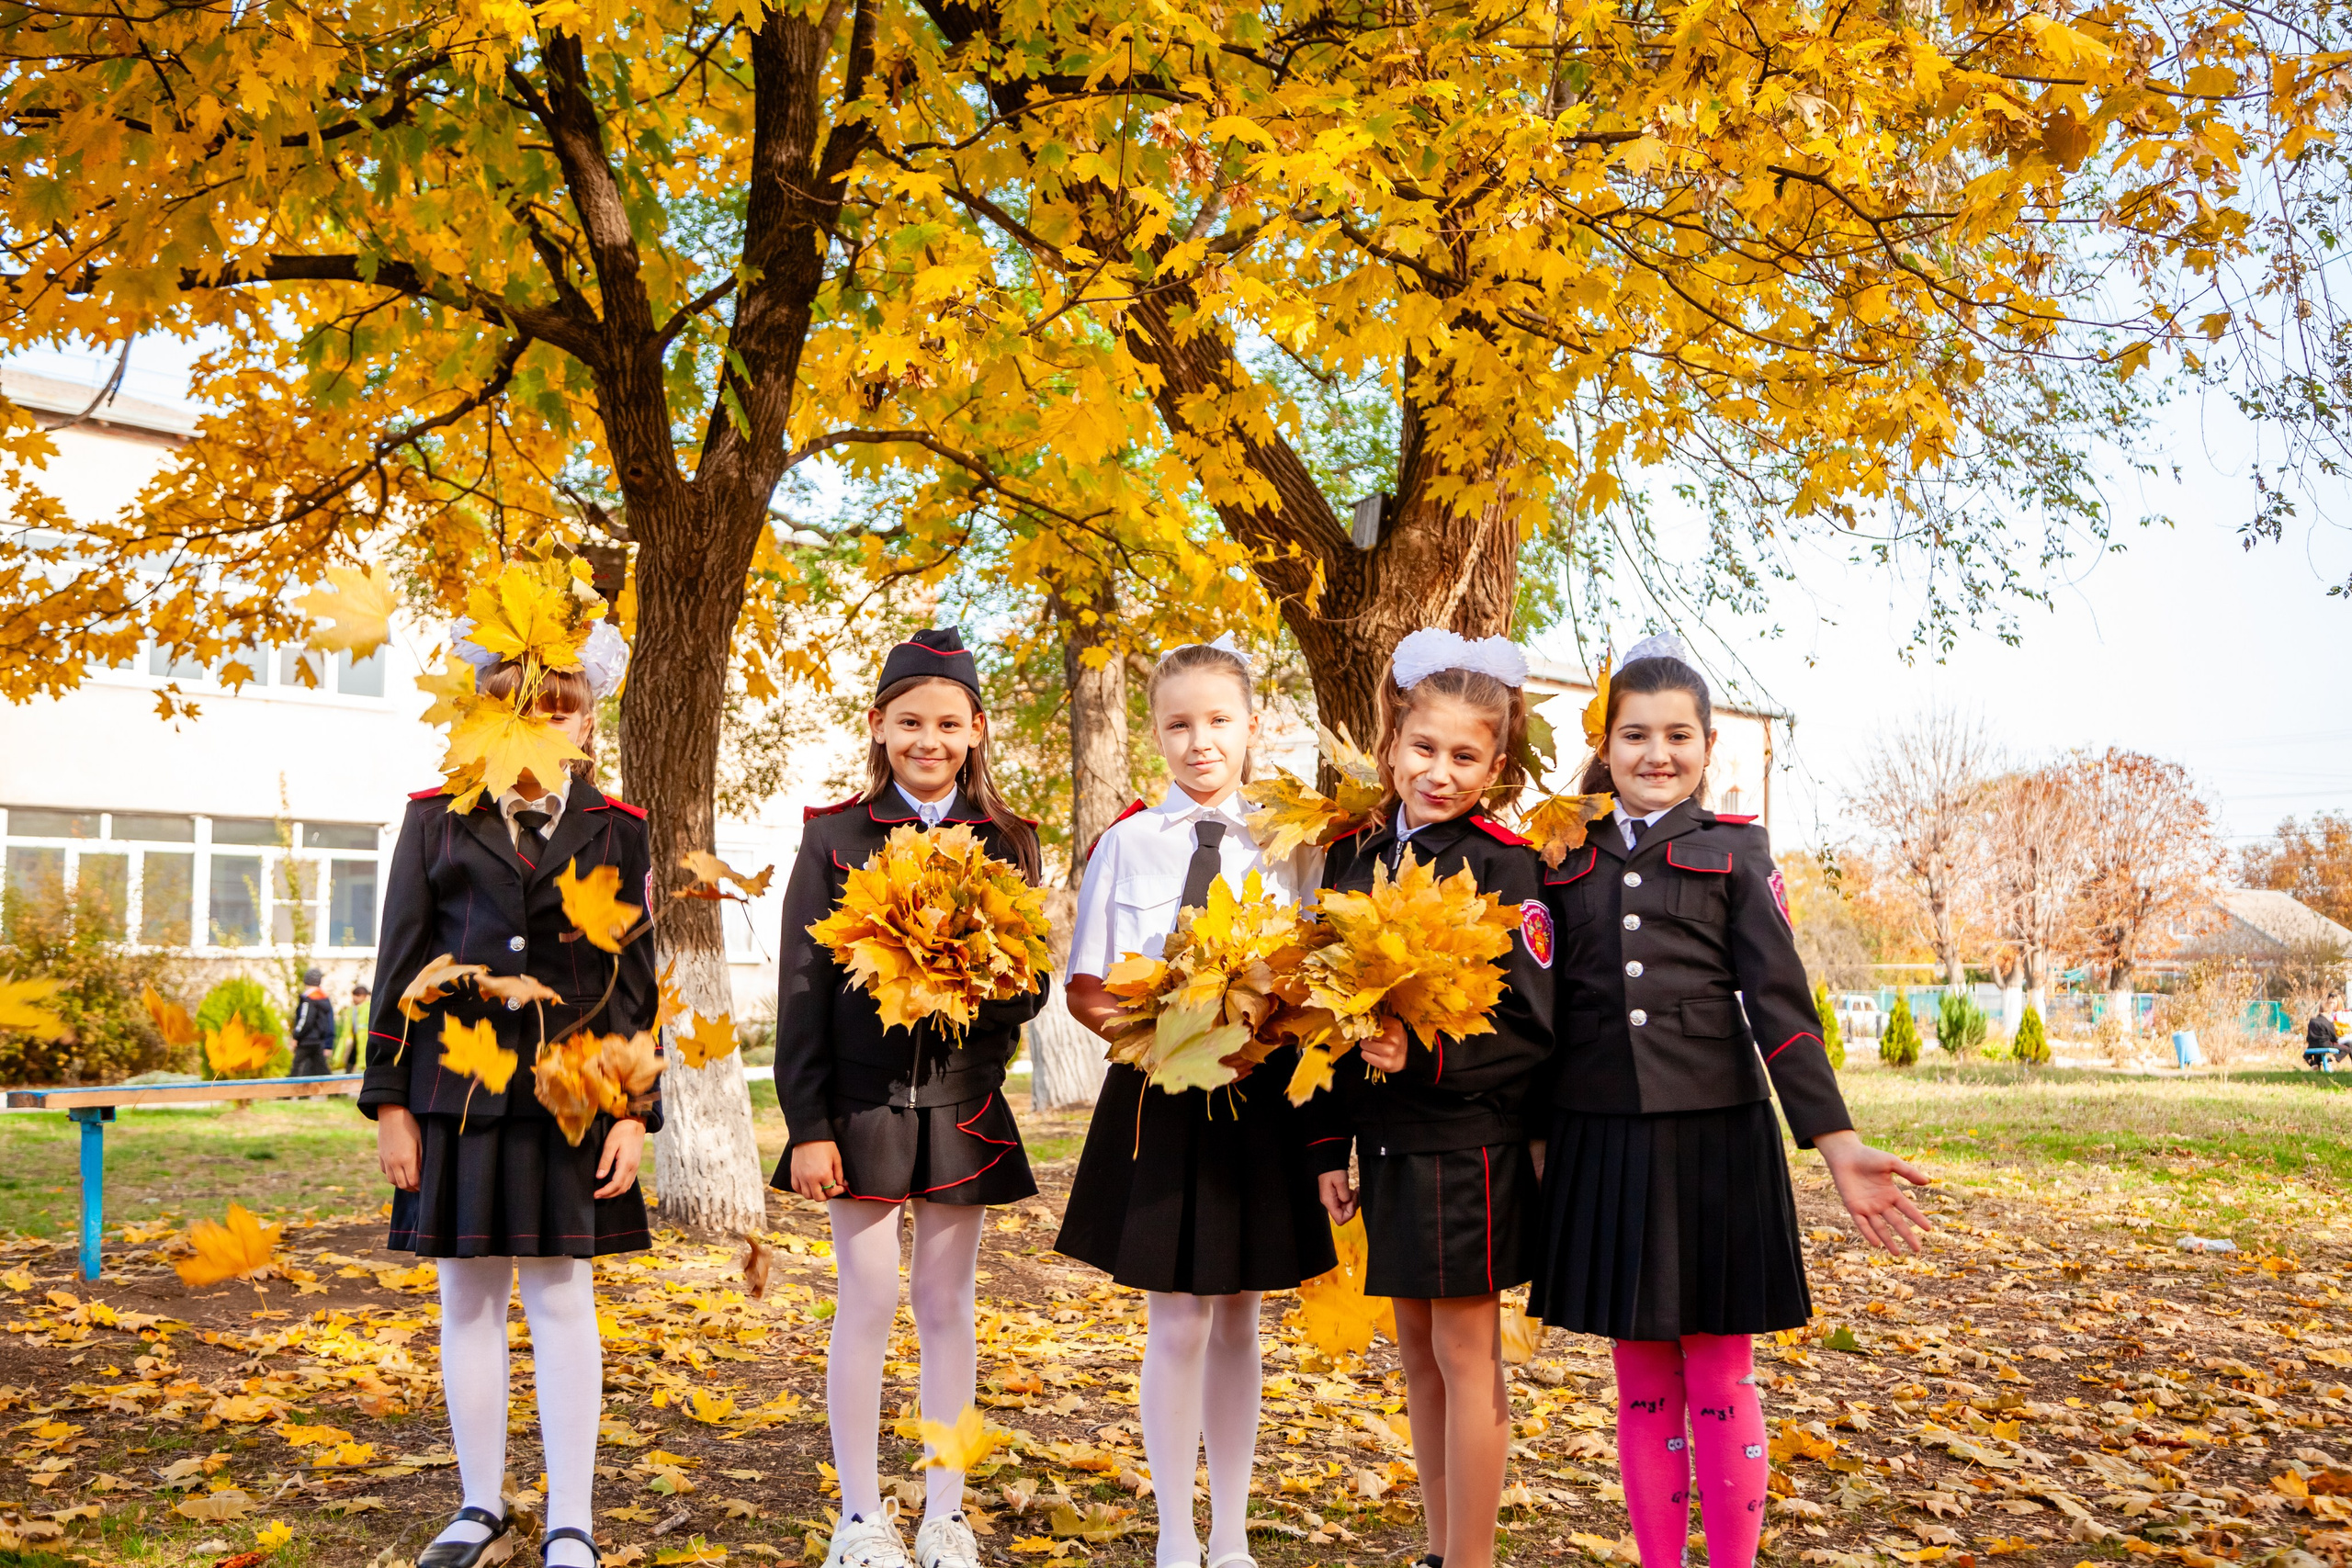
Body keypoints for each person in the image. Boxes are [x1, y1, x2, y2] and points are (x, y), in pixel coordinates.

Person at [1527, 634, 1931, 1568]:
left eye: (1677, 735)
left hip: (1717, 1143)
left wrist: (1835, 1144)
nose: (1655, 754)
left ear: (1709, 746)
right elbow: (1539, 1018)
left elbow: (1780, 1012)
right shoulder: (1557, 859)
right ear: (1605, 741)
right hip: (1600, 1142)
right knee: (1637, 1375)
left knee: (1716, 1366)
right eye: (1634, 735)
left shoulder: (1737, 854)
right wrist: (1535, 1141)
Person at [360, 617, 653, 1568]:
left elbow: (635, 981)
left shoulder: (622, 829)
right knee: (468, 1303)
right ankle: (477, 1505)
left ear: (587, 723)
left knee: (564, 1301)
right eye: (521, 707)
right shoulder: (434, 817)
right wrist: (392, 1101)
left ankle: (572, 1516)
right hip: (457, 1096)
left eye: (562, 712)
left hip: (573, 1100)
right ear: (484, 714)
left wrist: (634, 1111)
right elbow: (399, 958)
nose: (543, 724)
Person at [1056, 637, 1336, 1568]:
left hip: (1259, 1100)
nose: (1199, 741)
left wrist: (1261, 1040)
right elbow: (1087, 986)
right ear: (1154, 734)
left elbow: (1313, 975)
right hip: (1164, 1098)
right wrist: (1167, 1046)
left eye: (1218, 721)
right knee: (1175, 1316)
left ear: (1252, 726)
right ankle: (1176, 1532)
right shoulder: (1127, 845)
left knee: (1242, 1310)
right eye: (1178, 724)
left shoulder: (1293, 844)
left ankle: (1232, 1533)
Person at [776, 628, 1048, 1568]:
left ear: (975, 729)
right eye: (908, 722)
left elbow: (1032, 988)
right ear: (878, 727)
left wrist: (982, 971)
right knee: (867, 1298)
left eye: (946, 723)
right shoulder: (833, 835)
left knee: (945, 1302)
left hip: (962, 1108)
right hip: (857, 1109)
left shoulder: (1010, 841)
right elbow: (801, 992)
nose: (927, 740)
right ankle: (859, 1517)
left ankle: (944, 1512)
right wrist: (808, 1127)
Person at [1306, 628, 1554, 1568]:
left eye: (1464, 756)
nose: (1439, 772)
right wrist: (1328, 1146)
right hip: (1388, 1148)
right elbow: (1322, 1018)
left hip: (1468, 1143)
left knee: (1463, 1357)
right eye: (1423, 749)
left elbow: (1530, 1028)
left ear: (1493, 767)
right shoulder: (1351, 859)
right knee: (1415, 1359)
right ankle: (1440, 1548)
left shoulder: (1505, 866)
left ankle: (1474, 1560)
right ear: (1391, 746)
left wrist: (1420, 1057)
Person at [289, 966, 334, 1077]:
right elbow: (330, 1023)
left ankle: (288, 1093)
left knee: (297, 1067)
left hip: (306, 1039)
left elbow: (305, 1020)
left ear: (306, 981)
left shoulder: (308, 999)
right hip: (319, 1040)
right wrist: (328, 1044)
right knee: (321, 1067)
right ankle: (336, 1091)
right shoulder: (325, 999)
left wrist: (296, 1036)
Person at [334, 981, 372, 1072]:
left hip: (363, 1039)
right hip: (352, 1038)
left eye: (358, 995)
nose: (355, 998)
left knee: (362, 1060)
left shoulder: (368, 1008)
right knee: (349, 1059)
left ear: (364, 996)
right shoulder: (352, 1010)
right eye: (354, 995)